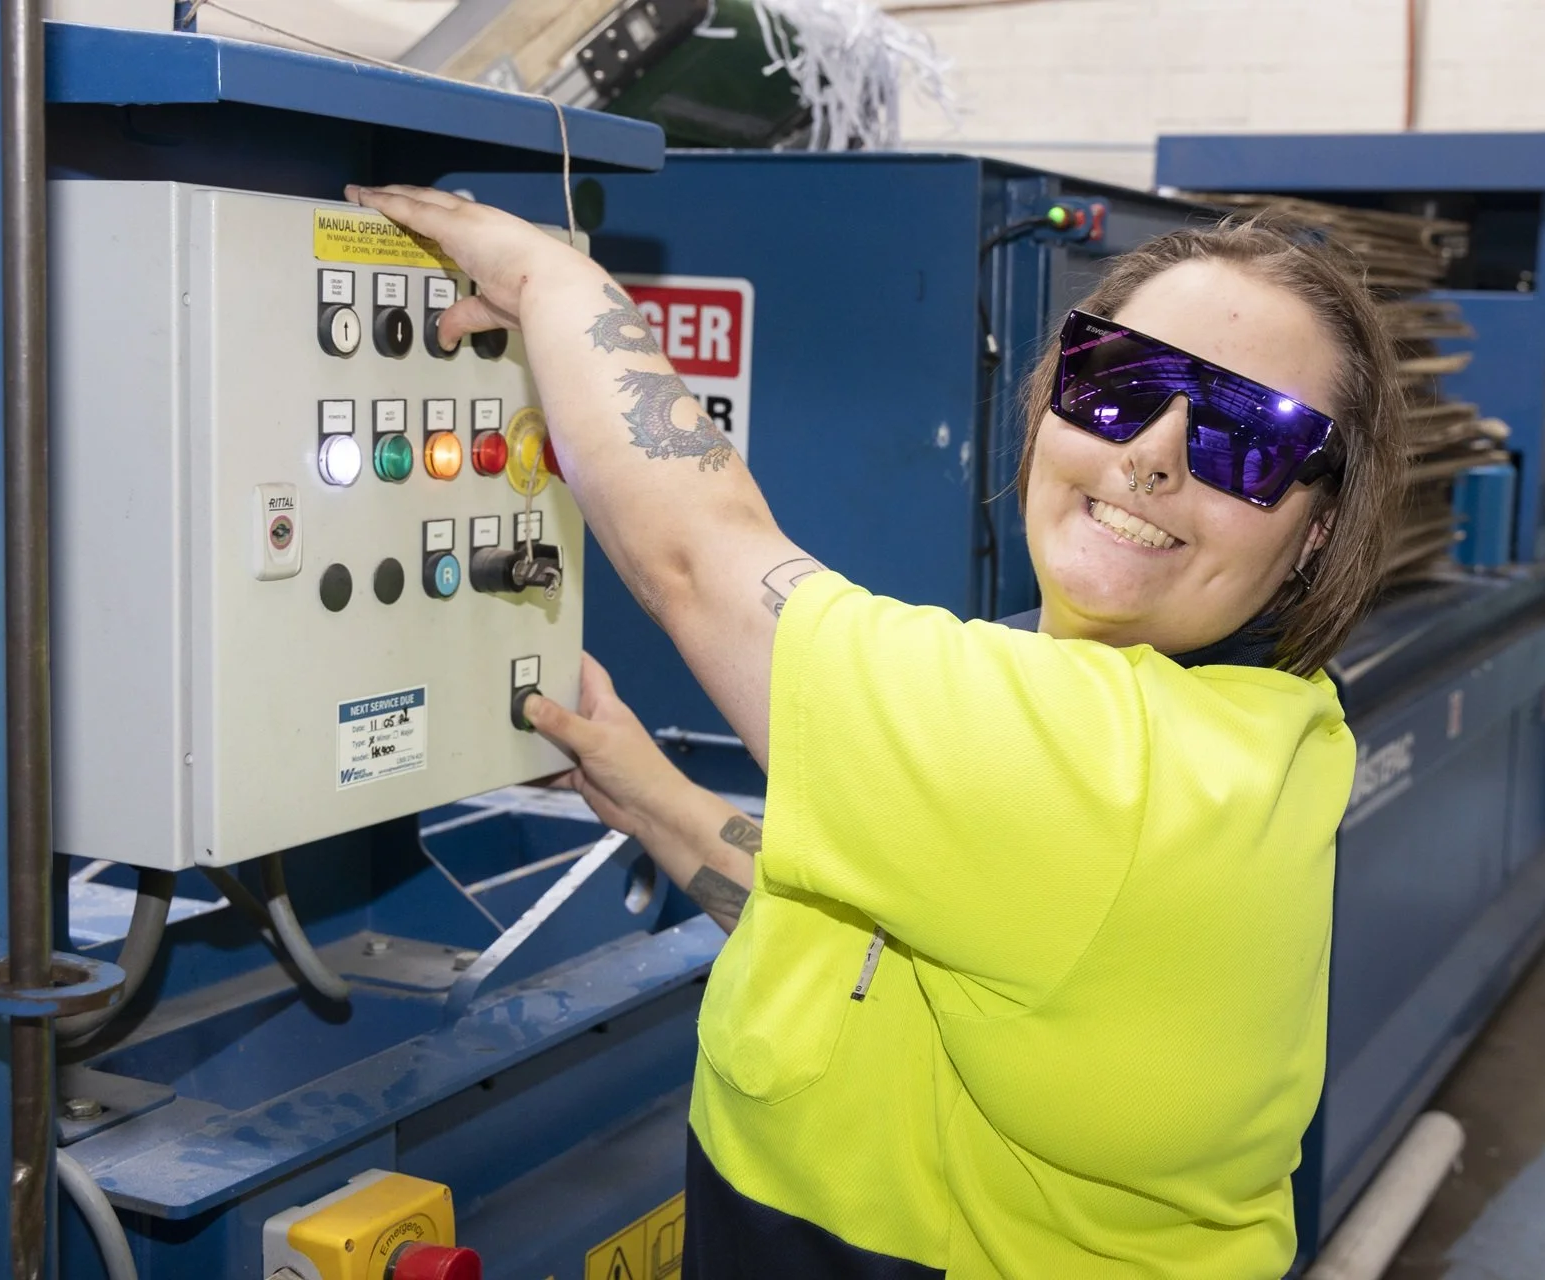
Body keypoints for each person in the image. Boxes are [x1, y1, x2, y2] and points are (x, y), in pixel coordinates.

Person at [349, 183, 1406, 1279]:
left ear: (1318, 528)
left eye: (1247, 437)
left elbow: (696, 562)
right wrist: (645, 785)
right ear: (1054, 395)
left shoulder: (1126, 768)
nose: (1154, 454)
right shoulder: (1205, 723)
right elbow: (876, 920)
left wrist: (553, 282)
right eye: (1122, 382)